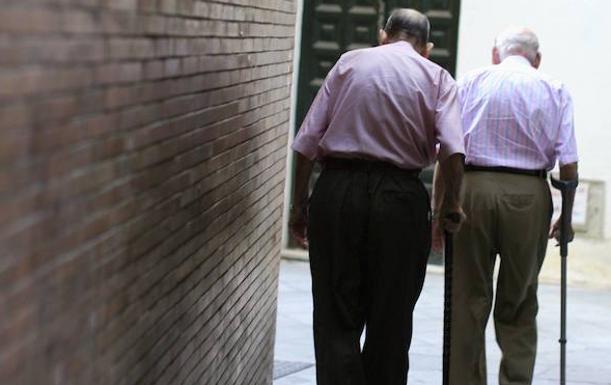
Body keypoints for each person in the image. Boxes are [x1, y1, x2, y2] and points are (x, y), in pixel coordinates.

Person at [288, 8, 466, 385]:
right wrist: (452, 204)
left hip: (337, 190)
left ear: (382, 35)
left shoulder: (349, 63)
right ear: (427, 48)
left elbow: (306, 143)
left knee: (336, 314)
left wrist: (298, 205)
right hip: (401, 200)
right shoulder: (438, 78)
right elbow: (453, 149)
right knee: (392, 316)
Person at [433, 27, 579, 385]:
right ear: (537, 58)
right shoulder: (554, 87)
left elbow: (448, 150)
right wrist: (567, 216)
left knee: (467, 297)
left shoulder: (470, 81)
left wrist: (441, 208)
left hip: (473, 188)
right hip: (528, 194)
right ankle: (515, 380)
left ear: (495, 54)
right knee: (520, 299)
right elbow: (569, 164)